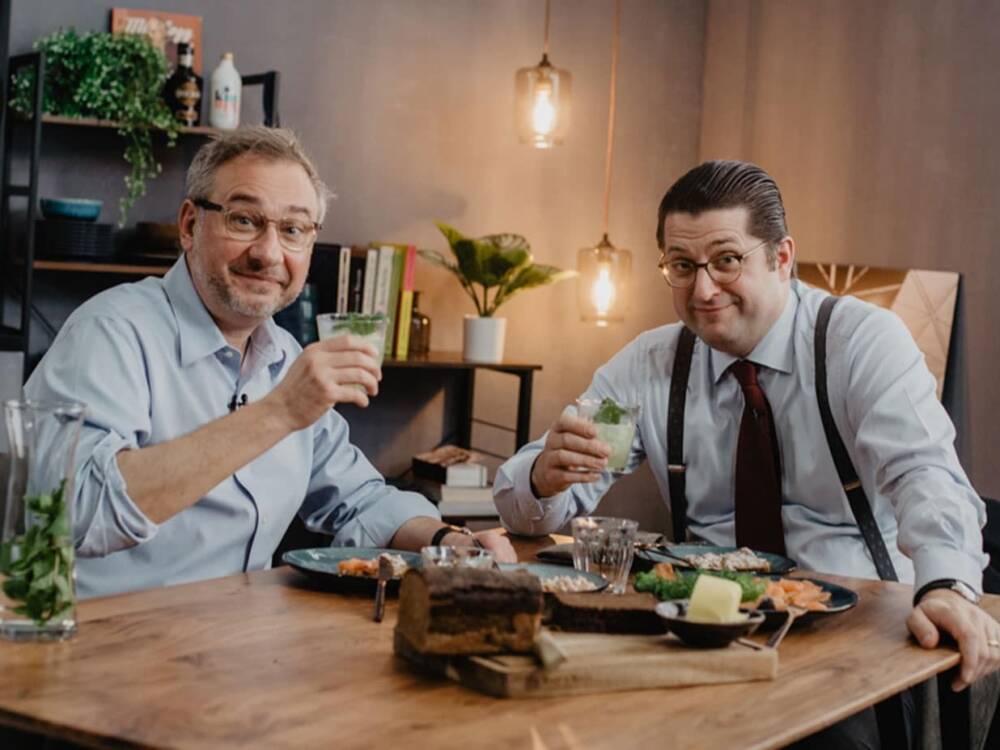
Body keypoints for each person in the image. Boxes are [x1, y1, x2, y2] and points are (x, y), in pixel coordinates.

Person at [495, 160, 999, 740]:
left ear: (781, 258)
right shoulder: (650, 366)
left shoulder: (861, 343)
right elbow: (522, 498)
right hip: (701, 636)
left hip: (857, 637)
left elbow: (925, 475)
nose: (703, 289)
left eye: (726, 260)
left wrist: (945, 587)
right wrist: (542, 476)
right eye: (682, 266)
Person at [25, 126, 514, 599]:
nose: (268, 252)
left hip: (246, 650)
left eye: (293, 229)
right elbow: (75, 512)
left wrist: (451, 543)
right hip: (105, 651)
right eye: (244, 220)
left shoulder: (286, 358)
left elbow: (360, 499)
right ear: (190, 225)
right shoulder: (110, 331)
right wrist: (277, 412)